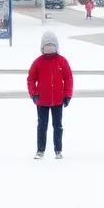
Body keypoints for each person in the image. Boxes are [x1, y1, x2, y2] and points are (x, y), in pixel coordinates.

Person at [27, 30, 74, 159]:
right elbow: (31, 79)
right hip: (42, 100)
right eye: (46, 46)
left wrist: (67, 95)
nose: (49, 49)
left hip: (58, 100)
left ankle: (58, 150)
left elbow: (68, 78)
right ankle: (40, 150)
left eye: (51, 46)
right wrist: (34, 94)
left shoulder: (62, 61)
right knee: (42, 125)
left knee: (57, 126)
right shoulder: (38, 62)